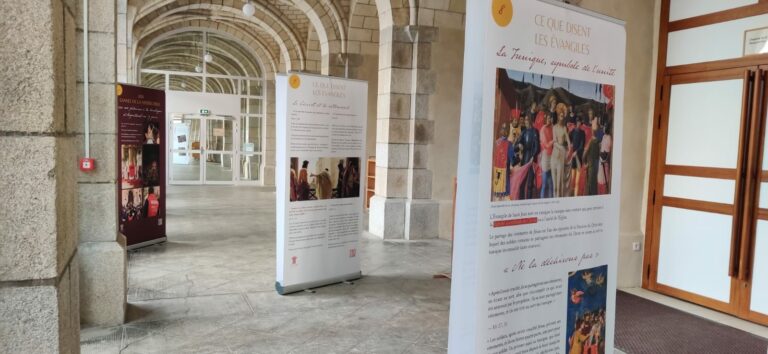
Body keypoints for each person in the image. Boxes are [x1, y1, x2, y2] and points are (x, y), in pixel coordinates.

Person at [516, 116, 539, 199]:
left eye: (527, 120)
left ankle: (528, 202)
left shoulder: (535, 131)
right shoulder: (524, 132)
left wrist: (533, 156)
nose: (526, 121)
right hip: (525, 158)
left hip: (531, 159)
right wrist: (519, 145)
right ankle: (521, 201)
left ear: (530, 121)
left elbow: (537, 146)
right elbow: (517, 143)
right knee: (522, 182)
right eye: (525, 120)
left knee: (529, 184)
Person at [552, 103, 571, 198]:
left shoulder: (564, 129)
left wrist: (568, 151)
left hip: (560, 158)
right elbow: (554, 142)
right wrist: (562, 148)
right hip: (554, 156)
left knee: (559, 185)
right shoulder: (554, 127)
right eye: (560, 116)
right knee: (554, 186)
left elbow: (569, 142)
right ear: (558, 116)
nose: (562, 118)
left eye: (563, 116)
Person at [493, 123, 514, 200]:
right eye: (504, 129)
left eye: (506, 129)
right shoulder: (509, 144)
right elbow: (513, 160)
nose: (505, 131)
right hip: (505, 172)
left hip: (497, 171)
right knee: (505, 196)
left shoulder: (496, 143)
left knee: (497, 196)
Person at [539, 110, 555, 199]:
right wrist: (554, 140)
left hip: (551, 156)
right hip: (545, 157)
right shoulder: (543, 130)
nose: (549, 120)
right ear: (545, 119)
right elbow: (546, 145)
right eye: (548, 118)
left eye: (550, 118)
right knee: (545, 184)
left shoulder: (552, 128)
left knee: (551, 184)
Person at [584, 117, 601, 196]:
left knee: (593, 181)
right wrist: (585, 163)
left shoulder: (597, 140)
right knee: (590, 182)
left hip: (595, 163)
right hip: (591, 164)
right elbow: (585, 153)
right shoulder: (591, 141)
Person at [569, 118, 586, 196]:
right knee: (572, 179)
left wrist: (576, 152)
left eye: (580, 123)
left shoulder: (582, 133)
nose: (579, 124)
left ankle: (576, 197)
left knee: (577, 181)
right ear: (576, 123)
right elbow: (568, 141)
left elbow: (582, 146)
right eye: (578, 122)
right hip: (573, 158)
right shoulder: (572, 132)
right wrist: (570, 145)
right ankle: (571, 195)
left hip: (578, 157)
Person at [598, 124, 612, 195]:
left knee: (605, 178)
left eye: (605, 128)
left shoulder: (609, 137)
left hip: (605, 160)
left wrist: (605, 159)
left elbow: (608, 151)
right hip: (601, 158)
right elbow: (602, 147)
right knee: (601, 178)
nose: (604, 129)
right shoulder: (604, 136)